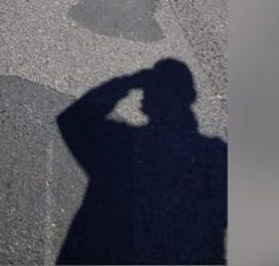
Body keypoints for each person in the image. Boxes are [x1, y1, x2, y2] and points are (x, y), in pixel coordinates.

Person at [56, 59, 226, 264]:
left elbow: (73, 118)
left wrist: (129, 81)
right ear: (191, 97)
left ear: (146, 101)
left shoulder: (123, 144)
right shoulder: (217, 155)